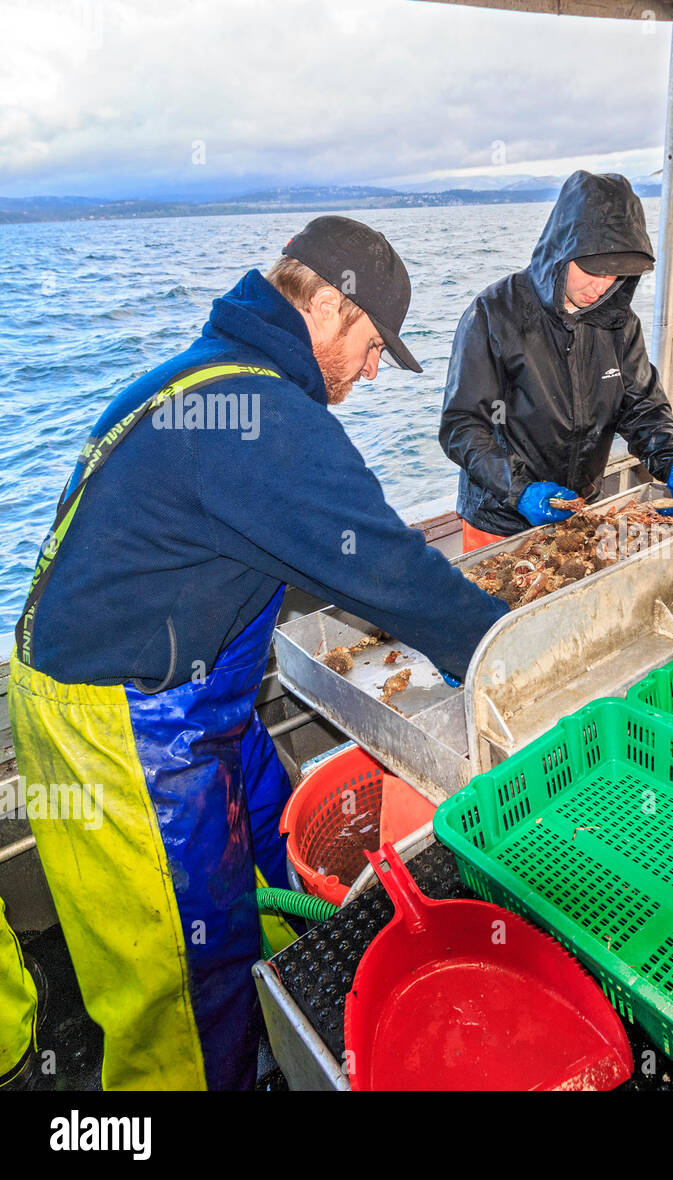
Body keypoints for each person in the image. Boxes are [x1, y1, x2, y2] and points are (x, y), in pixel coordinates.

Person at [4, 216, 508, 1091]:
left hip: (189, 700)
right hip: (123, 728)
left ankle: (288, 1025)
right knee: (184, 981)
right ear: (332, 309)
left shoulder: (206, 374)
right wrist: (505, 654)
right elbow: (391, 569)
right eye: (375, 343)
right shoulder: (264, 418)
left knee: (272, 851)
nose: (374, 368)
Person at [440, 170, 673, 549]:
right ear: (561, 253)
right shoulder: (493, 314)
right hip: (501, 519)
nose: (600, 286)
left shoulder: (619, 323)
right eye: (592, 269)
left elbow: (642, 408)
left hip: (581, 513)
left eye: (616, 273)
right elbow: (462, 426)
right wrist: (520, 490)